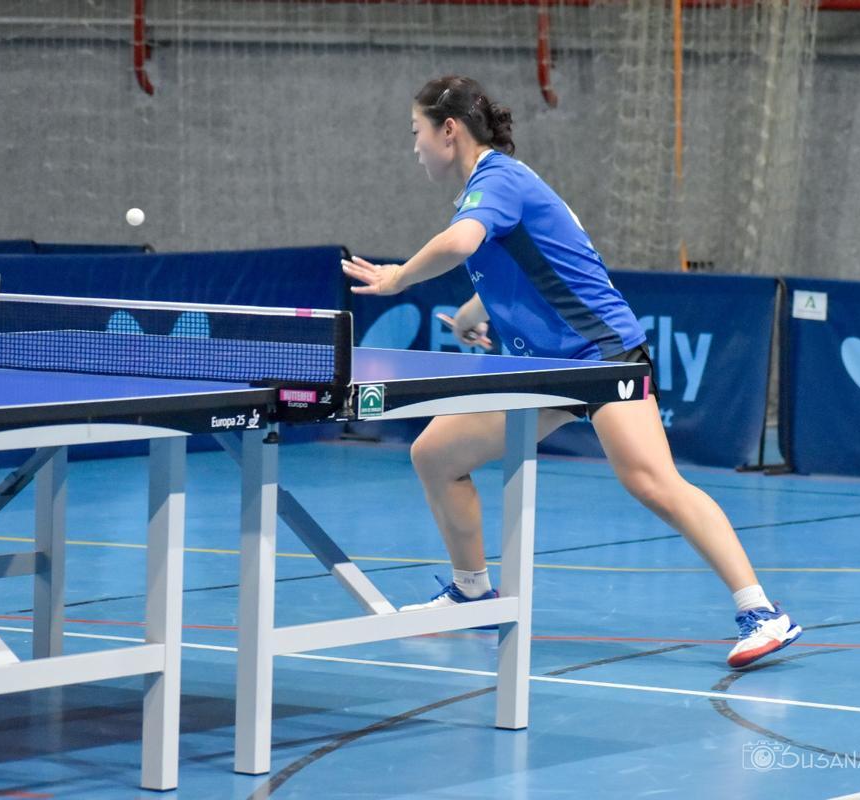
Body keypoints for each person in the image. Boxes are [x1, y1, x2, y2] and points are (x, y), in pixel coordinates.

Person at [342, 75, 801, 668]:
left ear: (448, 131)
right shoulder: (495, 188)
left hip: (601, 358)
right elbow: (534, 261)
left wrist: (398, 276)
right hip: (544, 370)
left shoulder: (498, 179)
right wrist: (476, 311)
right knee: (435, 455)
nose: (415, 147)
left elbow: (461, 244)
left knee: (652, 482)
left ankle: (762, 611)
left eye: (417, 133)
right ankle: (472, 592)